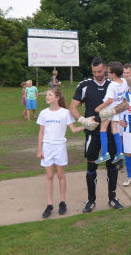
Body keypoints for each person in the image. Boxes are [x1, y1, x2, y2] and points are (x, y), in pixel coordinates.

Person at [70, 57, 125, 213]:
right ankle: (91, 200)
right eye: (94, 72)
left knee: (112, 166)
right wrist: (81, 119)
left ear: (106, 69)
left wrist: (111, 111)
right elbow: (73, 106)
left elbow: (125, 103)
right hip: (92, 133)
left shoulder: (114, 84)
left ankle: (112, 198)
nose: (97, 74)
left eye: (100, 71)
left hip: (110, 132)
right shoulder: (85, 85)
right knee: (91, 166)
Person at [37, 87, 85, 218]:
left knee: (60, 175)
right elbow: (41, 132)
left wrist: (86, 125)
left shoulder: (65, 113)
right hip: (47, 147)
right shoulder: (43, 113)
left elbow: (74, 130)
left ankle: (62, 202)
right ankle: (49, 204)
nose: (47, 97)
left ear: (57, 98)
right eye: (47, 95)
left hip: (60, 147)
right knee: (49, 176)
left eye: (50, 95)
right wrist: (39, 150)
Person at [94, 61, 128, 164]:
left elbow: (109, 100)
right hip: (117, 110)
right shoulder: (123, 81)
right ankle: (120, 153)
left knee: (103, 129)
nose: (107, 73)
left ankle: (105, 153)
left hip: (109, 109)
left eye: (108, 72)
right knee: (114, 130)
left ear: (113, 74)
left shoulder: (112, 85)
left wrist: (99, 108)